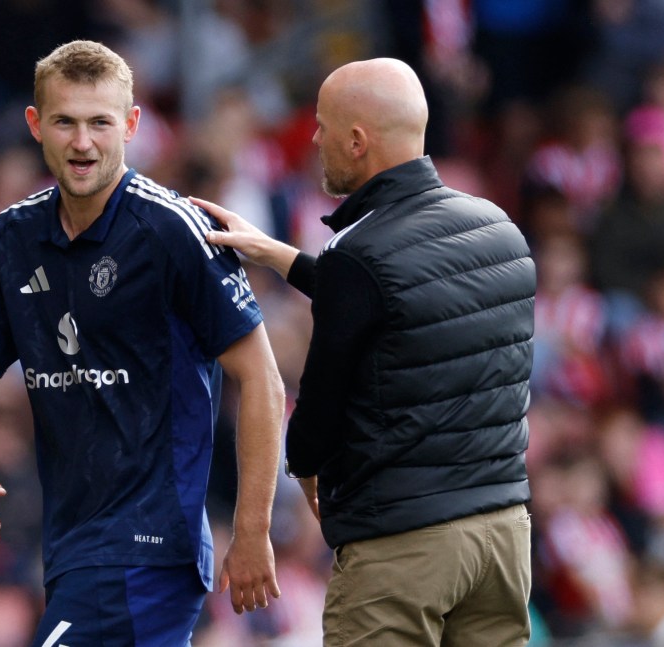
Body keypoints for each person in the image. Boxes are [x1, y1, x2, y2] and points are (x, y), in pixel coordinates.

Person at [0, 40, 284, 646]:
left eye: (100, 123)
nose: (82, 142)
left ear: (130, 125)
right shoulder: (10, 239)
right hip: (73, 548)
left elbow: (261, 378)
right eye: (65, 122)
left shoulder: (173, 230)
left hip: (151, 544)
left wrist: (253, 527)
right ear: (34, 124)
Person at [193, 57, 536, 646]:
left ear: (357, 141)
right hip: (503, 539)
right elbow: (405, 302)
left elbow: (321, 405)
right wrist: (279, 254)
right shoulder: (498, 227)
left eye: (323, 126)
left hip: (404, 547)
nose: (314, 137)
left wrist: (302, 469)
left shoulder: (359, 253)